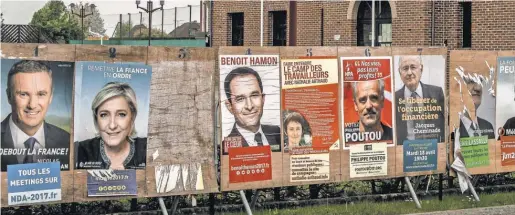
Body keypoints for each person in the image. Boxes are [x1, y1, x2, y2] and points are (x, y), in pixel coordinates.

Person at [1, 60, 70, 171]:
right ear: (9, 96)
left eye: (41, 94)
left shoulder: (67, 140)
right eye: (23, 94)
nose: (32, 105)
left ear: (51, 97)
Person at [76, 82, 146, 170]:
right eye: (104, 115)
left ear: (132, 118)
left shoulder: (146, 149)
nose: (112, 125)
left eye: (121, 114)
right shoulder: (79, 151)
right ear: (96, 119)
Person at [223, 67, 281, 153]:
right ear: (229, 106)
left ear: (263, 99)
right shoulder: (226, 148)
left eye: (254, 95)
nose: (249, 106)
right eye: (240, 99)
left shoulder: (277, 132)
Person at [395, 55, 445, 145]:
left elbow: (443, 126)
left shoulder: (437, 93)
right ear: (399, 72)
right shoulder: (394, 99)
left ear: (421, 69)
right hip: (405, 151)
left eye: (413, 67)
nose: (409, 72)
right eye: (405, 68)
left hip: (431, 149)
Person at [458, 73, 495, 139]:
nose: (478, 88)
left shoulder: (488, 126)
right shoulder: (451, 128)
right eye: (471, 81)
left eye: (480, 81)